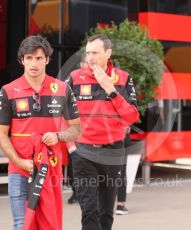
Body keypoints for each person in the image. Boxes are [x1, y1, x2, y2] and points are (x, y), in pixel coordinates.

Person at [0, 35, 81, 230]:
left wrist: (58, 136)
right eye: (29, 58)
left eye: (39, 58)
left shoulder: (62, 89)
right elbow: (0, 134)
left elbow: (76, 129)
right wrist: (20, 162)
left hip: (50, 170)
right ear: (21, 60)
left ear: (47, 59)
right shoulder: (8, 91)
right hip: (19, 171)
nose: (34, 63)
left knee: (49, 224)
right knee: (22, 224)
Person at [66, 34, 139, 230]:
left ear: (108, 53)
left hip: (112, 151)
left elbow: (132, 116)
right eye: (87, 53)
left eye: (95, 53)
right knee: (89, 210)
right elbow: (59, 113)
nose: (90, 57)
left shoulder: (123, 78)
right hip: (83, 152)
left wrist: (111, 90)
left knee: (106, 213)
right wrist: (71, 146)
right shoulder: (74, 78)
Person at [67, 54, 89, 205]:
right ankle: (75, 192)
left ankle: (87, 194)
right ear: (81, 64)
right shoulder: (73, 82)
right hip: (74, 132)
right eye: (86, 62)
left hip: (92, 134)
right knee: (73, 166)